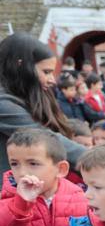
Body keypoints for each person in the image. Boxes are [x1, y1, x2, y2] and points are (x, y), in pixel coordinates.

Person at [0, 33, 85, 173]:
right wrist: (98, 160)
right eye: (46, 72)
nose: (52, 80)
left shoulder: (28, 93)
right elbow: (43, 137)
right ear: (20, 65)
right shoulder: (3, 103)